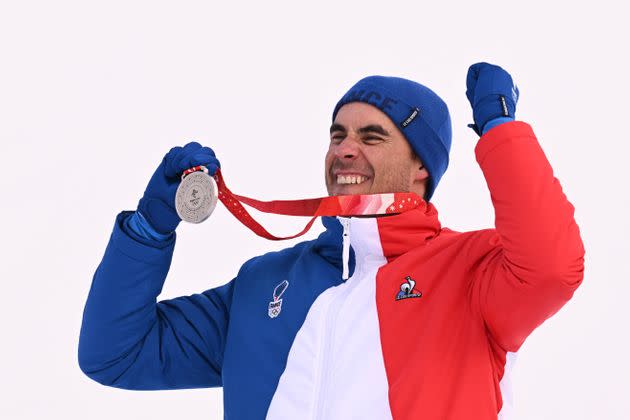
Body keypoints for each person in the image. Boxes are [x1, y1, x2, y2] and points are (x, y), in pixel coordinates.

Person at [78, 62, 585, 420]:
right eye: (337, 134)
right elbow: (116, 354)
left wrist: (501, 131)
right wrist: (147, 233)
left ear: (421, 168)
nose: (344, 149)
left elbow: (551, 268)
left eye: (371, 137)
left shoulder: (472, 272)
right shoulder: (265, 283)